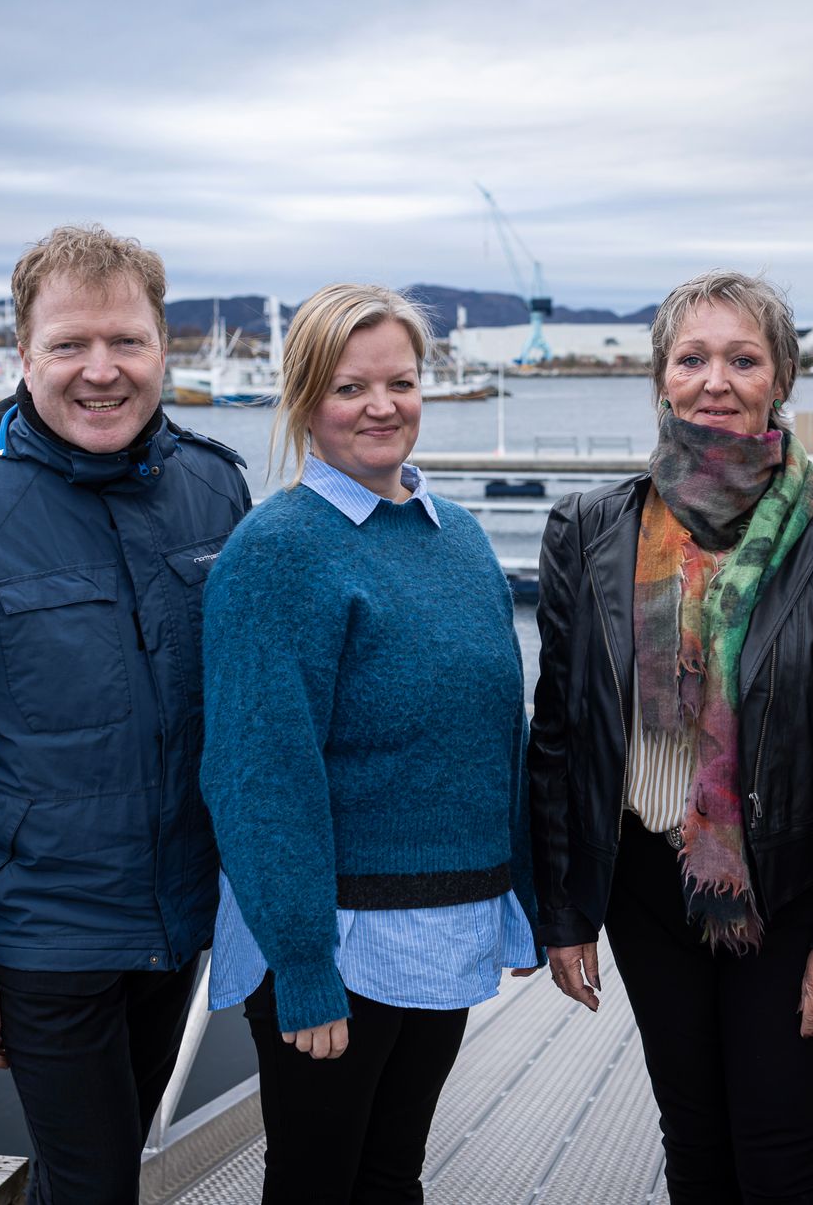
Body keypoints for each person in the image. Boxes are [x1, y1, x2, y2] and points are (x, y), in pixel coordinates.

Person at [0, 225, 251, 1204]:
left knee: (108, 1169)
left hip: (179, 918)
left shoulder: (214, 487)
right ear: (21, 354)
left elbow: (251, 706)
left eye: (127, 341)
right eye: (69, 344)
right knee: (92, 1179)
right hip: (41, 931)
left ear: (166, 348)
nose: (100, 370)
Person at [528, 270, 813, 1204]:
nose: (716, 380)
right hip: (645, 885)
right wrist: (565, 910)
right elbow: (561, 736)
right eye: (692, 357)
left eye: (743, 358)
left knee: (782, 1153)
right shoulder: (589, 528)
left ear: (780, 375)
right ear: (661, 376)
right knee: (693, 1138)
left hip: (785, 888)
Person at [198, 283, 541, 1205]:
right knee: (317, 1186)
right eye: (351, 388)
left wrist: (522, 897)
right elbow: (258, 776)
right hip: (338, 942)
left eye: (402, 381)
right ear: (307, 401)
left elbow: (498, 733)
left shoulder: (457, 536)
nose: (382, 406)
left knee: (394, 1176)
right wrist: (304, 967)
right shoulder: (279, 552)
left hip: (448, 926)